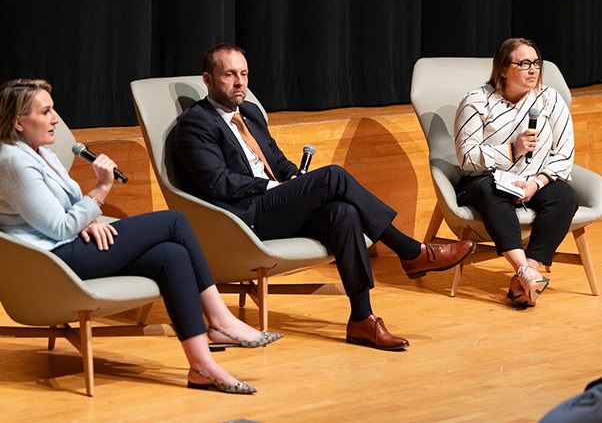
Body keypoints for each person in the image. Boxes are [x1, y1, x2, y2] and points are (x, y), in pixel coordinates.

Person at [174, 43, 476, 351]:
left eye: (244, 74)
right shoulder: (196, 123)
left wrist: (293, 178)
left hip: (273, 207)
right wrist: (274, 189)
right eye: (229, 75)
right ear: (208, 80)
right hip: (241, 218)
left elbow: (277, 161)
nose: (240, 83)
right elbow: (217, 183)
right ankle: (410, 251)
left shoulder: (249, 112)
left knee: (343, 213)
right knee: (333, 175)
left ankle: (362, 318)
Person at [0, 79, 284, 395]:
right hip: (51, 262)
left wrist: (87, 218)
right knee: (173, 221)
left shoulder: (42, 153)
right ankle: (219, 319)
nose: (55, 119)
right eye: (46, 111)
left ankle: (202, 366)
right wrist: (101, 190)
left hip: (69, 246)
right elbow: (58, 227)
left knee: (171, 256)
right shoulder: (13, 160)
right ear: (18, 122)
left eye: (53, 110)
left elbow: (64, 208)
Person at [454, 38, 578, 306]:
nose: (533, 70)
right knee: (491, 192)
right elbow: (466, 158)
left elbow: (565, 154)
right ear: (502, 69)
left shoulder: (550, 99)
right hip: (485, 181)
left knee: (565, 196)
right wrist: (511, 149)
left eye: (536, 63)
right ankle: (524, 272)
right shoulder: (476, 101)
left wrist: (537, 183)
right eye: (523, 63)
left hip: (533, 181)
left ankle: (526, 273)